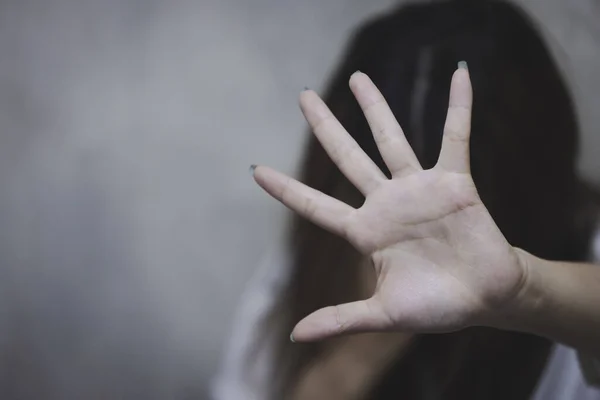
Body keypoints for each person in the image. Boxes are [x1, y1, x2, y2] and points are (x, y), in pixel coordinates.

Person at [212, 1, 600, 399]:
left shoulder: (580, 263)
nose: (421, 221)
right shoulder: (334, 245)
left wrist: (523, 288)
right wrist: (358, 356)